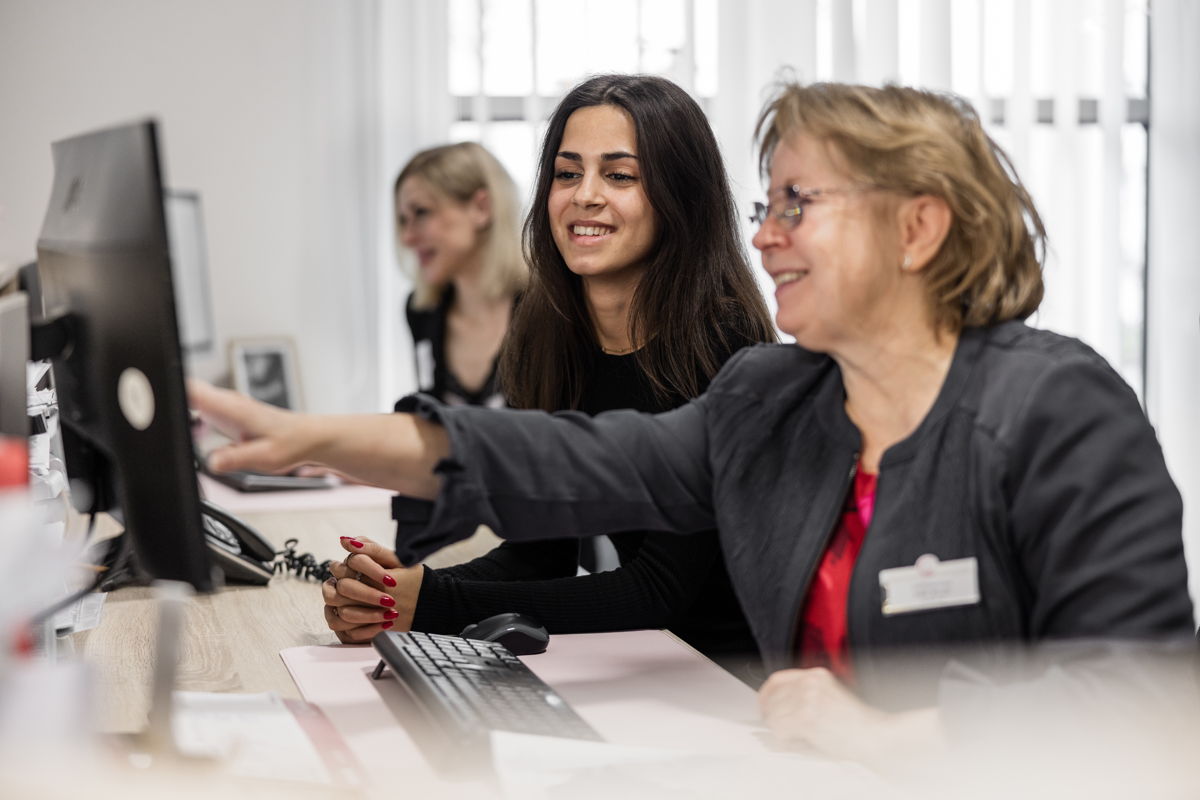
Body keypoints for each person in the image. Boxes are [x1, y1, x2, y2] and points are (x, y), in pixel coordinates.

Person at [190, 82, 1193, 765]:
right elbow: (573, 459)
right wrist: (312, 437)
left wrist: (883, 731)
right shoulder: (776, 398)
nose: (764, 235)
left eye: (800, 204)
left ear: (916, 228)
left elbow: (1145, 706)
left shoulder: (1058, 407)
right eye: (766, 203)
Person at [338, 74, 775, 680]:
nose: (584, 196)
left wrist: (430, 603)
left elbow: (661, 589)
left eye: (619, 175)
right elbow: (539, 553)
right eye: (567, 173)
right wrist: (395, 589)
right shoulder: (548, 334)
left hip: (732, 682)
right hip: (635, 664)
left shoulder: (727, 348)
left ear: (682, 195)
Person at [396, 142, 526, 408]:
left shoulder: (551, 310)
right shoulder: (421, 312)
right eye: (402, 220)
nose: (407, 238)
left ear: (482, 208)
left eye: (421, 212)